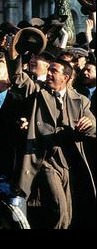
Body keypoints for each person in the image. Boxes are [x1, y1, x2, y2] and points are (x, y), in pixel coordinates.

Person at [17, 59, 96, 229]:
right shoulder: (39, 93)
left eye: (54, 71)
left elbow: (93, 124)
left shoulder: (81, 101)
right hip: (46, 161)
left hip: (68, 164)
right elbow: (19, 78)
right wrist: (15, 53)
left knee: (67, 215)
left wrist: (89, 123)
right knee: (60, 209)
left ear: (66, 77)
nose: (49, 74)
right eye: (49, 70)